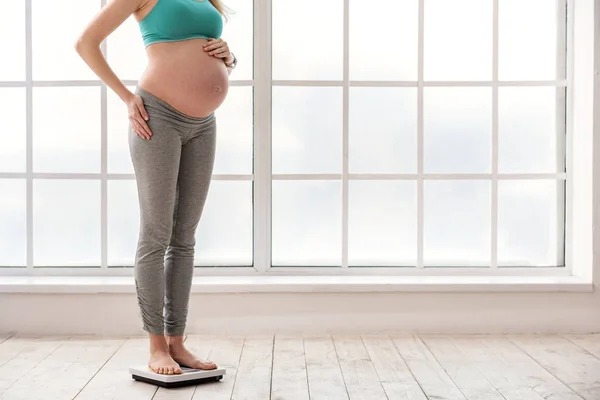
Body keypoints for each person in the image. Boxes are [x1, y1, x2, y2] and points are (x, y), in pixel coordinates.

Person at [75, 0, 236, 375]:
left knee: (185, 237)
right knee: (156, 234)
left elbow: (212, 51)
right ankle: (155, 346)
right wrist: (127, 97)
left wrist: (229, 56)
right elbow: (86, 43)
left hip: (204, 124)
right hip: (157, 118)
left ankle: (177, 342)